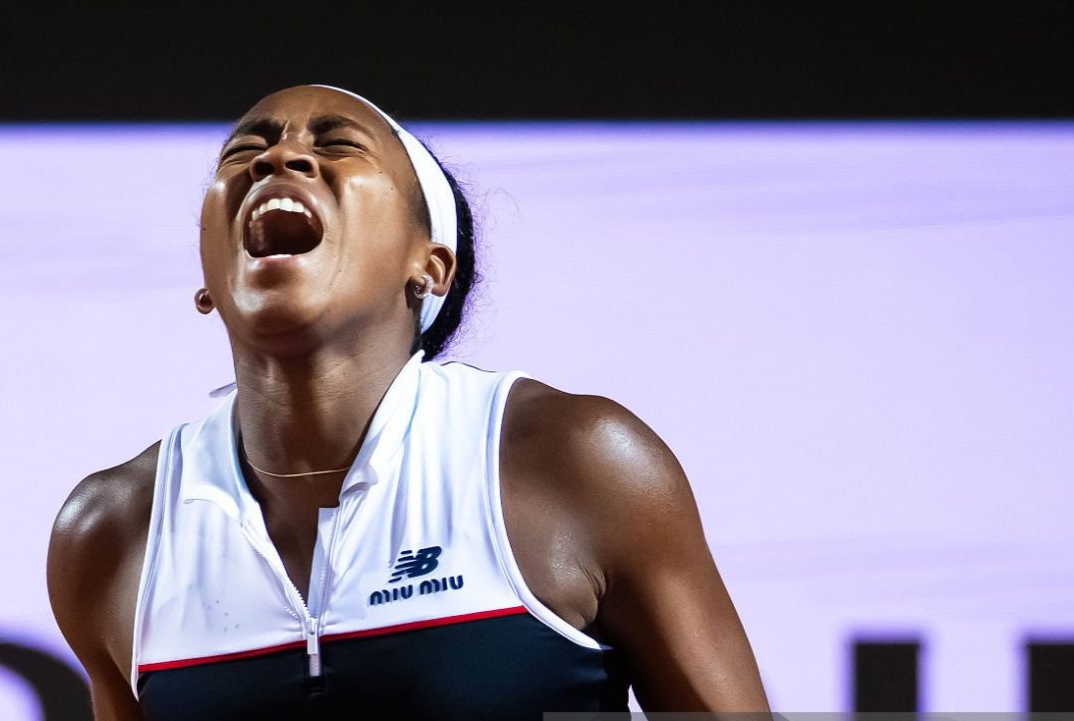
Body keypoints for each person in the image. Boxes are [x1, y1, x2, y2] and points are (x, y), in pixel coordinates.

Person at [47, 84, 769, 720]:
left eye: (336, 144)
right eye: (246, 151)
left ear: (430, 265)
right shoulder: (110, 533)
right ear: (207, 276)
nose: (279, 158)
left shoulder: (576, 461)